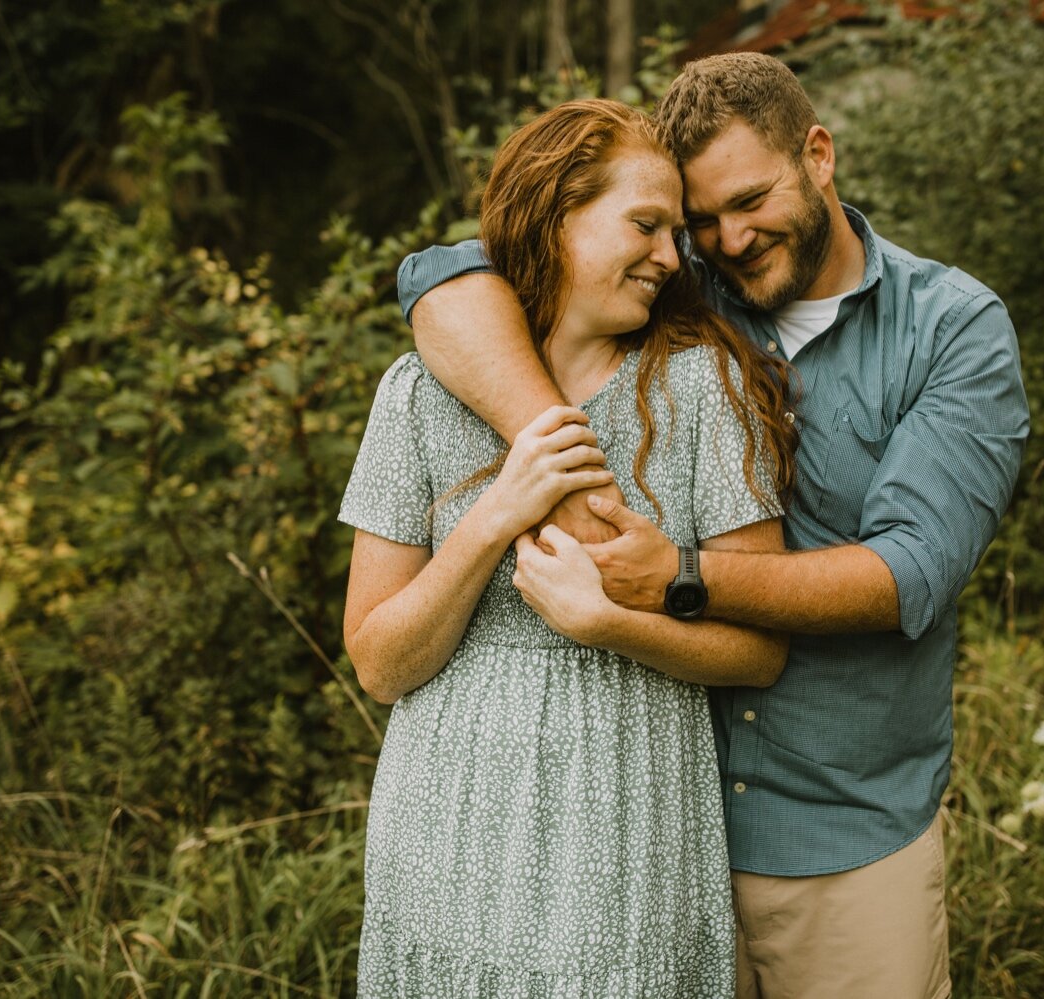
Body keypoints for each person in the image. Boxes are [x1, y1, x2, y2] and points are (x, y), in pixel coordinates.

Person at [396, 53, 1031, 999]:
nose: (726, 241)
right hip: (650, 844)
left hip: (841, 835)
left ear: (817, 154)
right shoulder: (676, 285)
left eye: (751, 200)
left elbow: (908, 575)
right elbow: (443, 277)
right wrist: (553, 454)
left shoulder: (952, 330)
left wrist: (677, 574)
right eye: (700, 220)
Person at [339, 98, 799, 997]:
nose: (673, 255)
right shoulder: (417, 393)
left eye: (677, 233)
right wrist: (493, 517)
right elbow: (379, 664)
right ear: (555, 213)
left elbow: (762, 650)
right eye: (646, 223)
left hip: (630, 833)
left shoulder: (703, 390)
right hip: (448, 835)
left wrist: (609, 623)